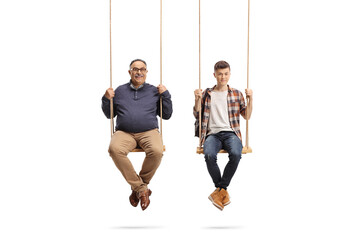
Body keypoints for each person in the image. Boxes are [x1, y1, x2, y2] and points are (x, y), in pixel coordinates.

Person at [102, 59, 172, 211]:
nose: (139, 72)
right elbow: (109, 115)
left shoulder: (154, 90)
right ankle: (142, 189)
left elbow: (167, 115)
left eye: (142, 69)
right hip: (124, 132)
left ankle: (138, 188)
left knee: (157, 151)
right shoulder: (119, 91)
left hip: (149, 131)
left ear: (146, 72)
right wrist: (106, 98)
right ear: (130, 72)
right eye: (135, 69)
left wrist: (165, 95)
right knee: (114, 149)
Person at [193, 60, 253, 211]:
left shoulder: (236, 94)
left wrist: (250, 99)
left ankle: (219, 189)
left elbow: (247, 116)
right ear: (214, 75)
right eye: (220, 74)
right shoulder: (207, 93)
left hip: (231, 133)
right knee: (209, 155)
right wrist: (197, 99)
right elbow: (197, 114)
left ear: (230, 74)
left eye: (226, 74)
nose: (223, 77)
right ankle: (222, 190)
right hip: (212, 134)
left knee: (235, 153)